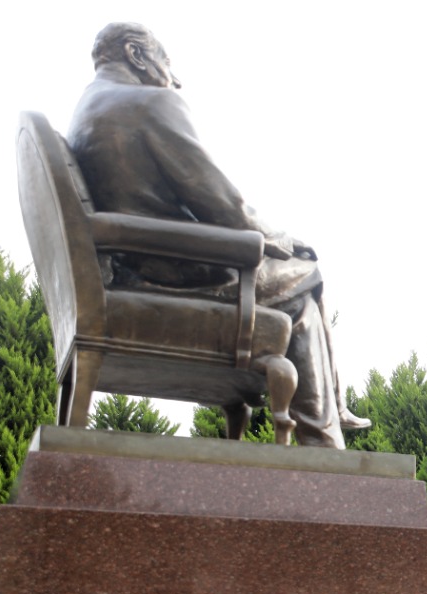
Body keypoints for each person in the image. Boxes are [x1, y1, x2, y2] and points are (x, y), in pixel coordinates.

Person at [65, 23, 369, 447]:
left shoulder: (85, 113)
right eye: (166, 63)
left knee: (297, 276)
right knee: (306, 276)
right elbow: (220, 201)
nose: (175, 78)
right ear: (136, 55)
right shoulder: (151, 102)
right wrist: (270, 237)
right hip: (181, 269)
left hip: (132, 265)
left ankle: (330, 416)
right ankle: (324, 440)